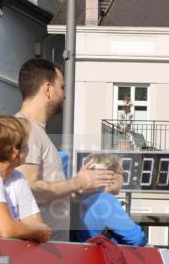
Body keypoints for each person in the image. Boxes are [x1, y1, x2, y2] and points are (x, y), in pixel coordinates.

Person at [15, 58, 115, 241]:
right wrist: (78, 182)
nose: (65, 95)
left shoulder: (36, 131)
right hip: (38, 253)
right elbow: (27, 188)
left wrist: (78, 189)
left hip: (47, 250)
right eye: (62, 87)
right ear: (48, 89)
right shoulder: (26, 130)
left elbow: (43, 192)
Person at [0, 115, 51, 242]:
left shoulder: (16, 177)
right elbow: (6, 229)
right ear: (15, 151)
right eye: (27, 143)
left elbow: (34, 222)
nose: (29, 148)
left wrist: (36, 230)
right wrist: (40, 231)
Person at [71, 153, 147, 246]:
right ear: (111, 176)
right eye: (123, 175)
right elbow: (136, 239)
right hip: (102, 258)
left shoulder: (78, 199)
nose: (123, 181)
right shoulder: (105, 200)